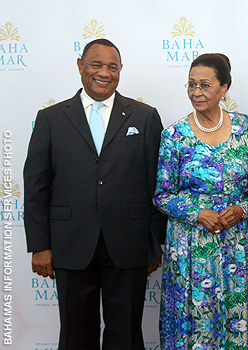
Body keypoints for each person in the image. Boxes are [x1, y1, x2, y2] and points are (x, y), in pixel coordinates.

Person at [23, 38, 167, 349]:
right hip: (70, 244)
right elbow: (36, 186)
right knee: (75, 335)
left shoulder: (144, 116)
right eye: (97, 65)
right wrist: (40, 245)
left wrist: (154, 243)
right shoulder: (50, 119)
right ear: (80, 66)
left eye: (112, 67)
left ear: (120, 71)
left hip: (130, 245)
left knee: (126, 335)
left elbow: (158, 184)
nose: (105, 72)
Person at [153, 53, 248, 349]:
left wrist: (244, 209)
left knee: (238, 317)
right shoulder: (174, 135)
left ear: (224, 88)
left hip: (237, 245)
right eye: (191, 85)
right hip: (190, 246)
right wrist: (197, 212)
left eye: (205, 85)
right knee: (191, 321)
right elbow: (162, 194)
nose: (196, 92)